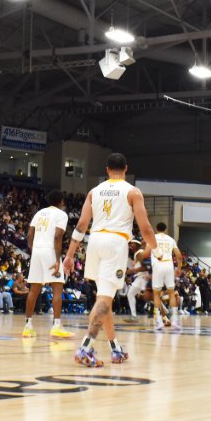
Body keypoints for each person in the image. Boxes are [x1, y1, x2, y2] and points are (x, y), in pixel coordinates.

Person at [62, 153, 156, 367]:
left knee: (105, 299)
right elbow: (146, 228)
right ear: (126, 169)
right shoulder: (132, 191)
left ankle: (115, 348)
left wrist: (69, 255)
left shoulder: (94, 192)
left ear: (106, 170)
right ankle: (85, 347)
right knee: (104, 301)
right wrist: (157, 251)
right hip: (115, 243)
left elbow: (80, 225)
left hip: (93, 242)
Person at [22, 189, 73, 339]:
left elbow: (29, 235)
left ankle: (28, 326)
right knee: (57, 287)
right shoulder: (61, 214)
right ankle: (56, 326)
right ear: (61, 201)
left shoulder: (39, 213)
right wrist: (57, 259)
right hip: (50, 251)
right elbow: (58, 236)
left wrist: (34, 251)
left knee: (34, 289)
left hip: (37, 251)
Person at [149, 222, 184, 329]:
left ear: (156, 228)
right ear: (166, 229)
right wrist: (179, 268)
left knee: (156, 294)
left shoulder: (153, 238)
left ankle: (159, 320)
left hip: (158, 265)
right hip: (169, 265)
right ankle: (174, 320)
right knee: (171, 293)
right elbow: (179, 256)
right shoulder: (171, 239)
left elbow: (146, 253)